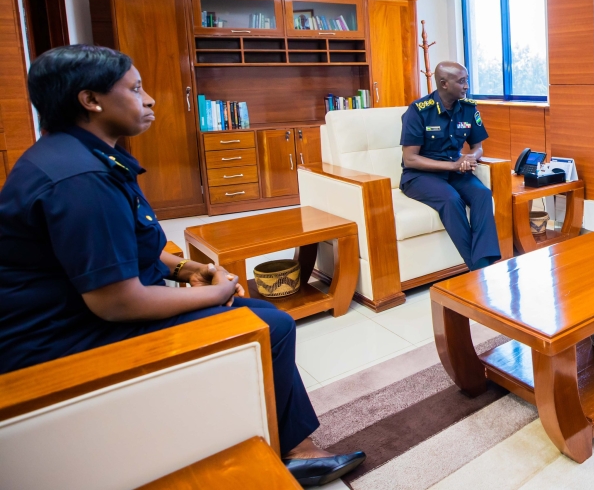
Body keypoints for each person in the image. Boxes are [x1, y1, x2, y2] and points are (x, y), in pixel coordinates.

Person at [0, 46, 364, 488]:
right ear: (90, 101)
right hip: (63, 337)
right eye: (135, 89)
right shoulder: (81, 181)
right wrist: (216, 290)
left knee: (270, 318)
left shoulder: (79, 156)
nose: (150, 99)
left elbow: (128, 242)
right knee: (271, 326)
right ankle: (295, 451)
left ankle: (279, 438)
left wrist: (182, 269)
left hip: (80, 311)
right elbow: (116, 303)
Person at [399, 61, 501, 270]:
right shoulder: (418, 111)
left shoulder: (468, 108)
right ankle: (477, 268)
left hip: (455, 170)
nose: (466, 86)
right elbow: (410, 159)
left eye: (467, 81)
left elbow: (478, 146)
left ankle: (483, 265)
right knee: (451, 199)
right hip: (420, 176)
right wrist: (454, 166)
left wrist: (470, 158)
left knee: (482, 194)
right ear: (444, 84)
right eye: (462, 81)